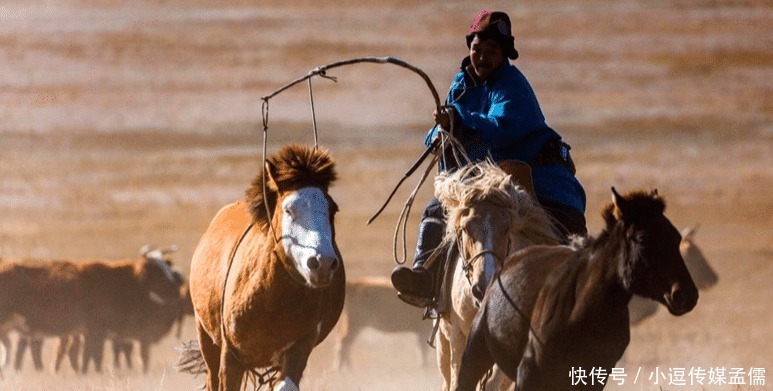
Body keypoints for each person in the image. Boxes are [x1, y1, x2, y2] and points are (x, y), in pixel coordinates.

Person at [391, 10, 587, 307]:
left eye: (491, 51)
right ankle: (424, 278)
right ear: (469, 48)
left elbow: (503, 128)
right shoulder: (462, 84)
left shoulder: (512, 85)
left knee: (565, 238)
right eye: (477, 49)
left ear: (505, 53)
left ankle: (580, 294)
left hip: (539, 175)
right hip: (492, 177)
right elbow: (443, 129)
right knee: (437, 208)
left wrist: (459, 118)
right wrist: (437, 136)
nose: (482, 57)